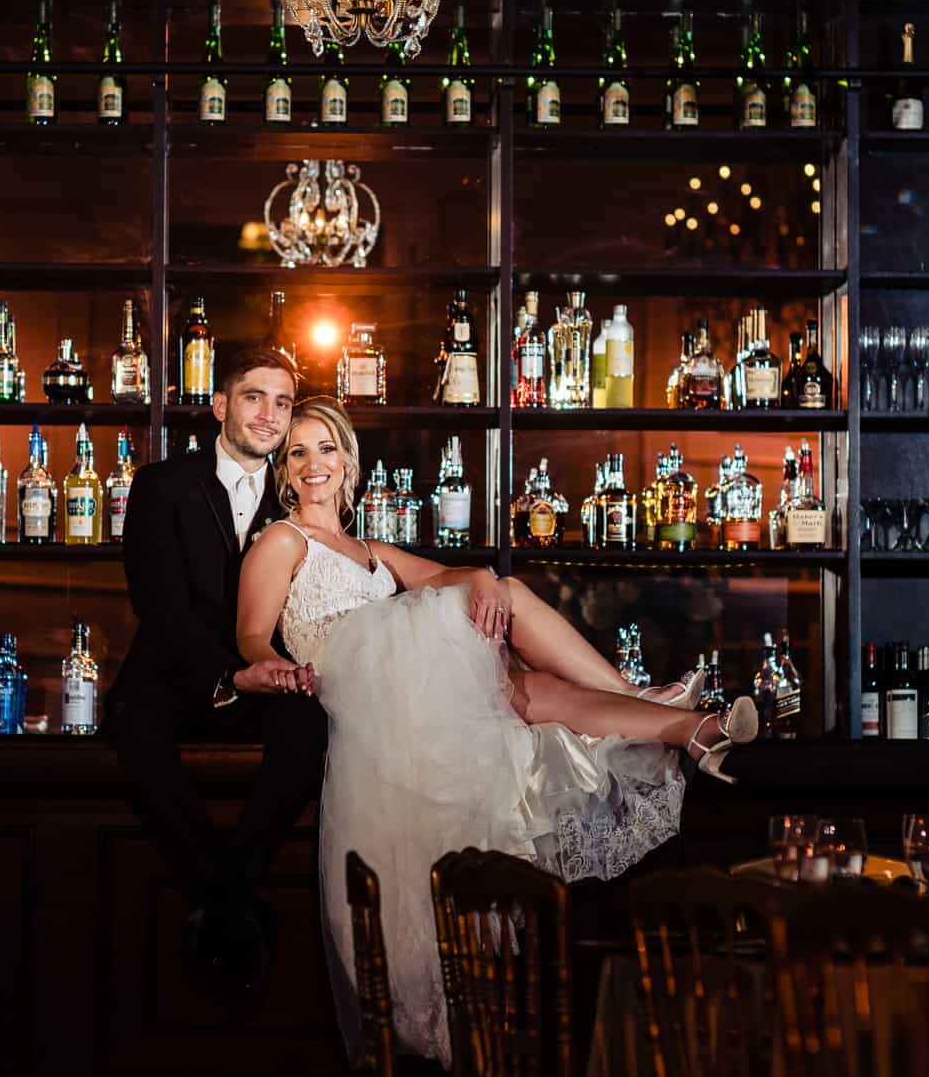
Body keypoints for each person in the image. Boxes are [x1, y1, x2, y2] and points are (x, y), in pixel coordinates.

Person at [236, 398, 757, 1065]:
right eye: (300, 451)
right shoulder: (283, 540)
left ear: (347, 461)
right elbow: (250, 631)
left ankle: (693, 727)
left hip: (406, 683)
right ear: (284, 469)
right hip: (361, 685)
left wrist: (479, 576)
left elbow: (450, 575)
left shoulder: (367, 547)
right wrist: (267, 667)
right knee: (497, 640)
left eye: (327, 448)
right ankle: (640, 695)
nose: (315, 464)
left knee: (531, 685)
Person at [106, 347, 323, 1000]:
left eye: (282, 403)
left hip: (266, 670)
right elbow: (161, 605)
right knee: (134, 733)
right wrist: (232, 675)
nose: (270, 415)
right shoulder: (161, 485)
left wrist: (267, 672)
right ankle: (233, 904)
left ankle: (222, 901)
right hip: (175, 672)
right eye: (255, 397)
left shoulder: (300, 495)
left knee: (310, 728)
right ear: (221, 405)